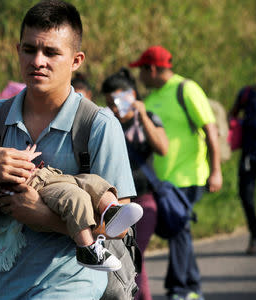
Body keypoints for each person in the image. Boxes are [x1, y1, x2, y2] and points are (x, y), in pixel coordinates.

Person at [0, 1, 138, 299]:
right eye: (30, 49)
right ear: (17, 50)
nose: (38, 60)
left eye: (51, 52)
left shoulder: (97, 125)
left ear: (76, 60)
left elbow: (119, 227)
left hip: (71, 284)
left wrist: (44, 217)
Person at [0, 132, 143, 272]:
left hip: (49, 176)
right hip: (40, 187)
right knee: (76, 198)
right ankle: (87, 248)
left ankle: (111, 212)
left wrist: (22, 157)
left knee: (91, 182)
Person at [129, 45, 223, 300]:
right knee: (178, 230)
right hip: (161, 181)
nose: (140, 76)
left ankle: (182, 289)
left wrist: (216, 170)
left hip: (189, 177)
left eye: (142, 70)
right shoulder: (149, 99)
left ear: (152, 69)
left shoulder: (186, 89)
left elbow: (210, 129)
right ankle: (189, 287)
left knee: (180, 229)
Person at [101, 67, 169, 300]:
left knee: (134, 254)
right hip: (116, 204)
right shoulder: (107, 124)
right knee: (126, 256)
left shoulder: (147, 119)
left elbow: (162, 148)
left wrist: (142, 114)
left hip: (143, 200)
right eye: (109, 103)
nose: (115, 108)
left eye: (118, 100)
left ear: (131, 96)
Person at [228, 57, 256, 255]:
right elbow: (232, 115)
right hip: (249, 157)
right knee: (247, 198)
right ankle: (255, 233)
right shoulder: (247, 94)